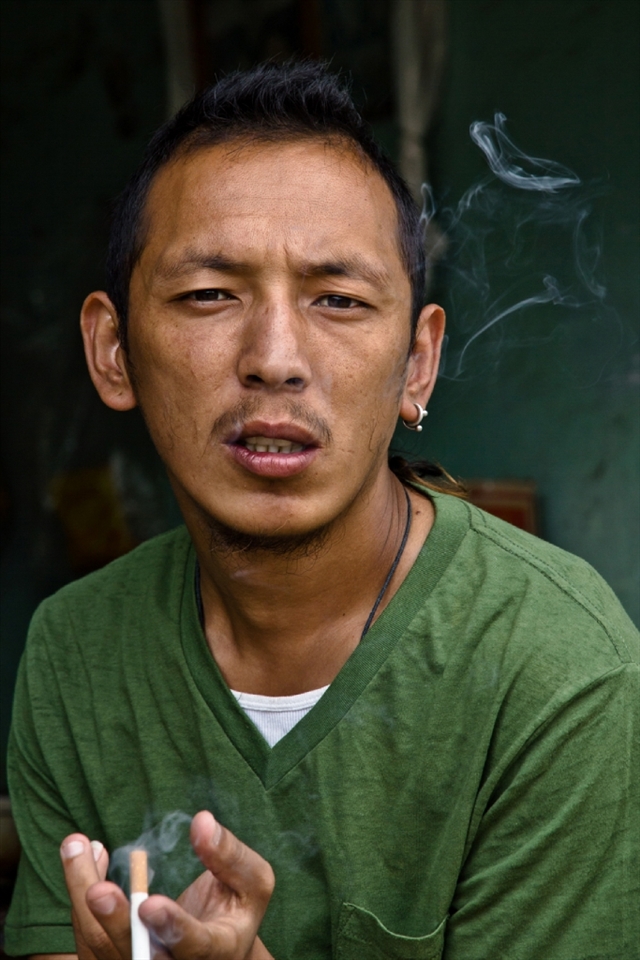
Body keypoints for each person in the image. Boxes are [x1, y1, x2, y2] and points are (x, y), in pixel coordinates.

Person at [5, 62, 638, 960]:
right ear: (113, 352)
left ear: (417, 365)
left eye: (338, 300)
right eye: (208, 295)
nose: (274, 357)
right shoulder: (77, 649)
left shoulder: (557, 670)